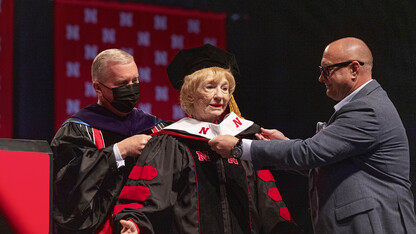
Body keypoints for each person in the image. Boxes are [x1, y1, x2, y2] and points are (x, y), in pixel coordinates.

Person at [209, 37, 416, 233]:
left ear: (354, 69)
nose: (320, 78)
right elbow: (323, 161)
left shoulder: (367, 110)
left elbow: (309, 152)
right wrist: (286, 144)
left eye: (327, 70)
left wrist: (239, 148)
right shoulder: (364, 105)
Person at [113, 44, 302, 234]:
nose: (219, 96)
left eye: (225, 88)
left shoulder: (243, 140)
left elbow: (267, 200)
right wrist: (134, 223)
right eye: (210, 87)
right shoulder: (171, 143)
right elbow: (149, 192)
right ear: (190, 94)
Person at [51, 49, 168, 233]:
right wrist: (118, 151)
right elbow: (66, 186)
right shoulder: (78, 130)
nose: (131, 88)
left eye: (135, 81)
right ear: (98, 88)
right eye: (122, 84)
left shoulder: (155, 127)